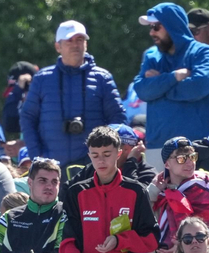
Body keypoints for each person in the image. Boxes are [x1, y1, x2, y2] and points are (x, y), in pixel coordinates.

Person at [20, 20, 128, 170]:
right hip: (52, 166)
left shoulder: (102, 78)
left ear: (86, 44)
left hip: (93, 166)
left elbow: (118, 121)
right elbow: (28, 118)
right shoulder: (42, 79)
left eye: (80, 40)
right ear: (58, 46)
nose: (75, 45)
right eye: (69, 40)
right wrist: (37, 156)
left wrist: (105, 157)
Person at [130, 3, 209, 151]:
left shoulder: (202, 52)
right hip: (158, 147)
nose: (152, 33)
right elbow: (142, 90)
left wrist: (160, 88)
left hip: (198, 146)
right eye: (150, 27)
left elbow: (200, 85)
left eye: (156, 27)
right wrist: (173, 77)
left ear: (172, 25)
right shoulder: (151, 56)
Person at [148, 136, 209, 253]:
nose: (190, 163)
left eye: (192, 157)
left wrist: (182, 249)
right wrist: (153, 191)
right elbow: (140, 216)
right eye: (181, 159)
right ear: (167, 164)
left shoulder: (204, 185)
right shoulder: (160, 189)